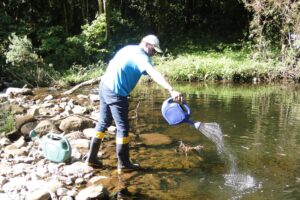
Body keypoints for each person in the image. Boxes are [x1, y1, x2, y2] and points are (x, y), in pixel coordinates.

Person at [86, 35, 183, 173]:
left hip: (104, 85)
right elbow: (153, 73)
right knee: (123, 128)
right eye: (154, 50)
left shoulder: (128, 48)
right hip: (116, 92)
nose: (154, 53)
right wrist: (171, 90)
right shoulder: (141, 57)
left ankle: (92, 158)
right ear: (147, 45)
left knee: (103, 122)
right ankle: (124, 163)